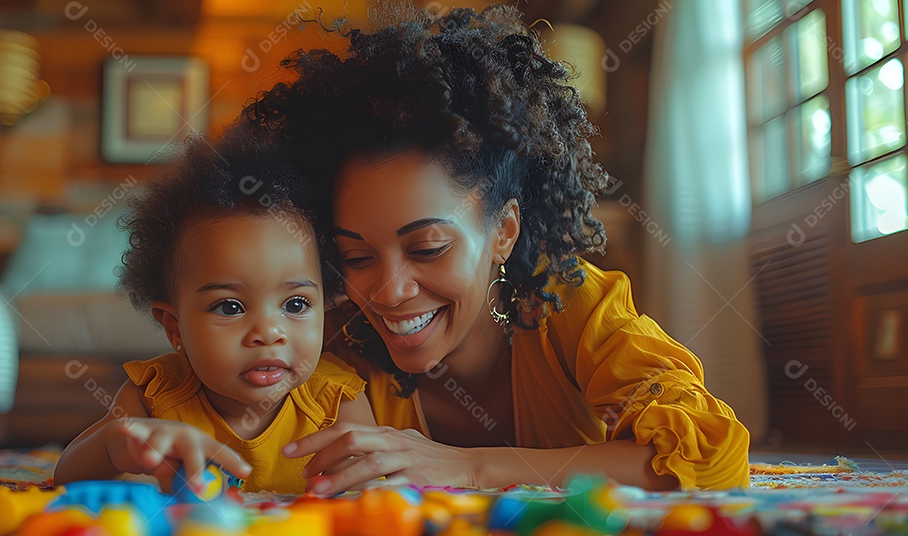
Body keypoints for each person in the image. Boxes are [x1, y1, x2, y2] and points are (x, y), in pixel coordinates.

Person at [240, 3, 750, 494]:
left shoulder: (571, 306)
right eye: (357, 258)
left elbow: (713, 456)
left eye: (428, 248)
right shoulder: (334, 344)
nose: (389, 292)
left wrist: (474, 467)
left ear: (504, 231)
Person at [53, 128, 375, 493]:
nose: (269, 333)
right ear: (175, 328)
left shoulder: (336, 401)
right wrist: (114, 445)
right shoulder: (155, 397)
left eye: (295, 304)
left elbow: (374, 497)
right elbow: (66, 479)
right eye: (230, 307)